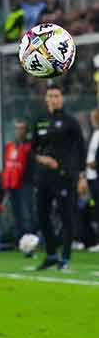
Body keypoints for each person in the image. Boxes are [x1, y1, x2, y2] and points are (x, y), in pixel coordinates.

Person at [31, 84, 86, 271]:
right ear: (45, 99)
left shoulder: (70, 122)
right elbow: (32, 150)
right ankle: (52, 254)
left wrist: (81, 175)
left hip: (64, 176)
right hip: (44, 177)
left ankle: (65, 258)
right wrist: (42, 159)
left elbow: (80, 149)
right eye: (50, 96)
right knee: (42, 216)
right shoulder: (40, 121)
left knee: (66, 217)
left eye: (56, 96)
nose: (53, 99)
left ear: (62, 99)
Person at [2, 120, 35, 243]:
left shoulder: (30, 146)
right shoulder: (10, 146)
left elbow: (33, 165)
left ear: (26, 131)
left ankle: (30, 238)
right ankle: (19, 238)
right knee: (16, 212)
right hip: (11, 183)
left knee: (27, 212)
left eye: (21, 129)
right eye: (17, 129)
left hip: (25, 183)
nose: (19, 131)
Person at [83, 109, 99, 252]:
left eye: (96, 117)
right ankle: (91, 240)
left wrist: (96, 164)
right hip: (90, 177)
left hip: (96, 176)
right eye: (92, 117)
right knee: (92, 208)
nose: (93, 120)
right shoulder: (92, 134)